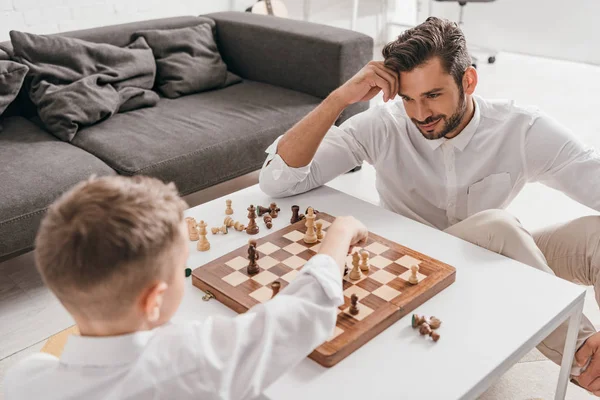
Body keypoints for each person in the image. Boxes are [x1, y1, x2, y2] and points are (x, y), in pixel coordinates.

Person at [259, 17, 600, 393]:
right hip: (413, 273)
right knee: (498, 226)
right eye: (408, 98)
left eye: (433, 95)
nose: (420, 114)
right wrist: (341, 98)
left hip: (488, 260)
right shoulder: (383, 126)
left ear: (468, 81)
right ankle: (585, 357)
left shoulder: (521, 129)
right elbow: (278, 181)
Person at [3, 175, 368, 400]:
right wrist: (339, 233)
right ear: (154, 299)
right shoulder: (193, 361)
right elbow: (301, 314)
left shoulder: (22, 380)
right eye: (182, 269)